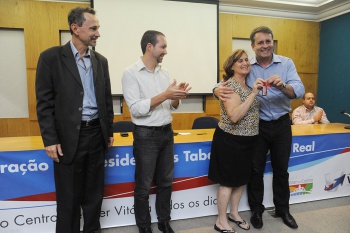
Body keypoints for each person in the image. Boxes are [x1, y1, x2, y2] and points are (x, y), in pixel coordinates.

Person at [214, 26, 304, 229]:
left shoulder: (286, 63)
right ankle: (257, 210)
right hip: (258, 126)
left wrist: (283, 86)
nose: (265, 46)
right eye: (260, 42)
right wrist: (215, 89)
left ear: (273, 42)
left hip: (282, 123)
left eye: (268, 41)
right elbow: (224, 84)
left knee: (281, 169)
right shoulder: (247, 65)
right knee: (256, 170)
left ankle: (283, 209)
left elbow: (299, 90)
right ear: (253, 46)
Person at [35, 7, 114, 233]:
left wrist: (108, 131)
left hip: (96, 136)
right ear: (75, 28)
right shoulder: (51, 58)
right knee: (69, 198)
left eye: (98, 28)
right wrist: (49, 139)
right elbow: (44, 103)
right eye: (93, 28)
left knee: (94, 196)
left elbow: (105, 99)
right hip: (68, 139)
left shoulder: (101, 61)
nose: (98, 33)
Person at [122, 30, 191, 233]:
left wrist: (177, 96)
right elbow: (136, 109)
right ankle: (144, 226)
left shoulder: (165, 72)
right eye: (163, 47)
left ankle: (164, 221)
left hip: (166, 133)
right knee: (143, 186)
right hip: (145, 136)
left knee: (165, 182)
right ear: (149, 47)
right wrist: (166, 94)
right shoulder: (131, 73)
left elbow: (171, 105)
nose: (166, 51)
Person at [209, 49, 263, 233]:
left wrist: (252, 92)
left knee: (240, 180)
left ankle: (234, 213)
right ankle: (221, 221)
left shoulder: (247, 85)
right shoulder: (229, 86)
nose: (245, 63)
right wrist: (254, 94)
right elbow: (234, 116)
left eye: (247, 60)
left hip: (248, 141)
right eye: (240, 60)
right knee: (227, 182)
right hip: (230, 140)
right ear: (231, 66)